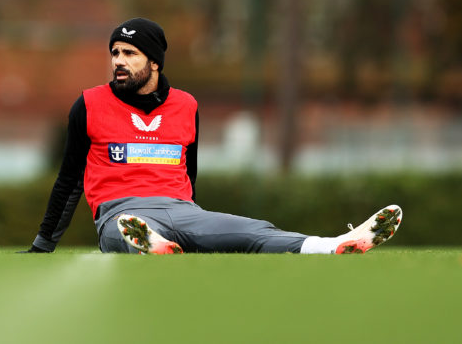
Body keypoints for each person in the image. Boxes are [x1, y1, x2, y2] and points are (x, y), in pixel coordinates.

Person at [21, 17, 403, 255]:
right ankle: (148, 244)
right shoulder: (89, 104)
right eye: (115, 52)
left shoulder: (186, 105)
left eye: (130, 53)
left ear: (154, 61)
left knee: (253, 231)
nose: (119, 60)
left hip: (183, 210)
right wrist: (43, 243)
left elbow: (191, 174)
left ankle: (331, 245)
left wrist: (196, 227)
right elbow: (69, 180)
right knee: (121, 236)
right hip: (120, 212)